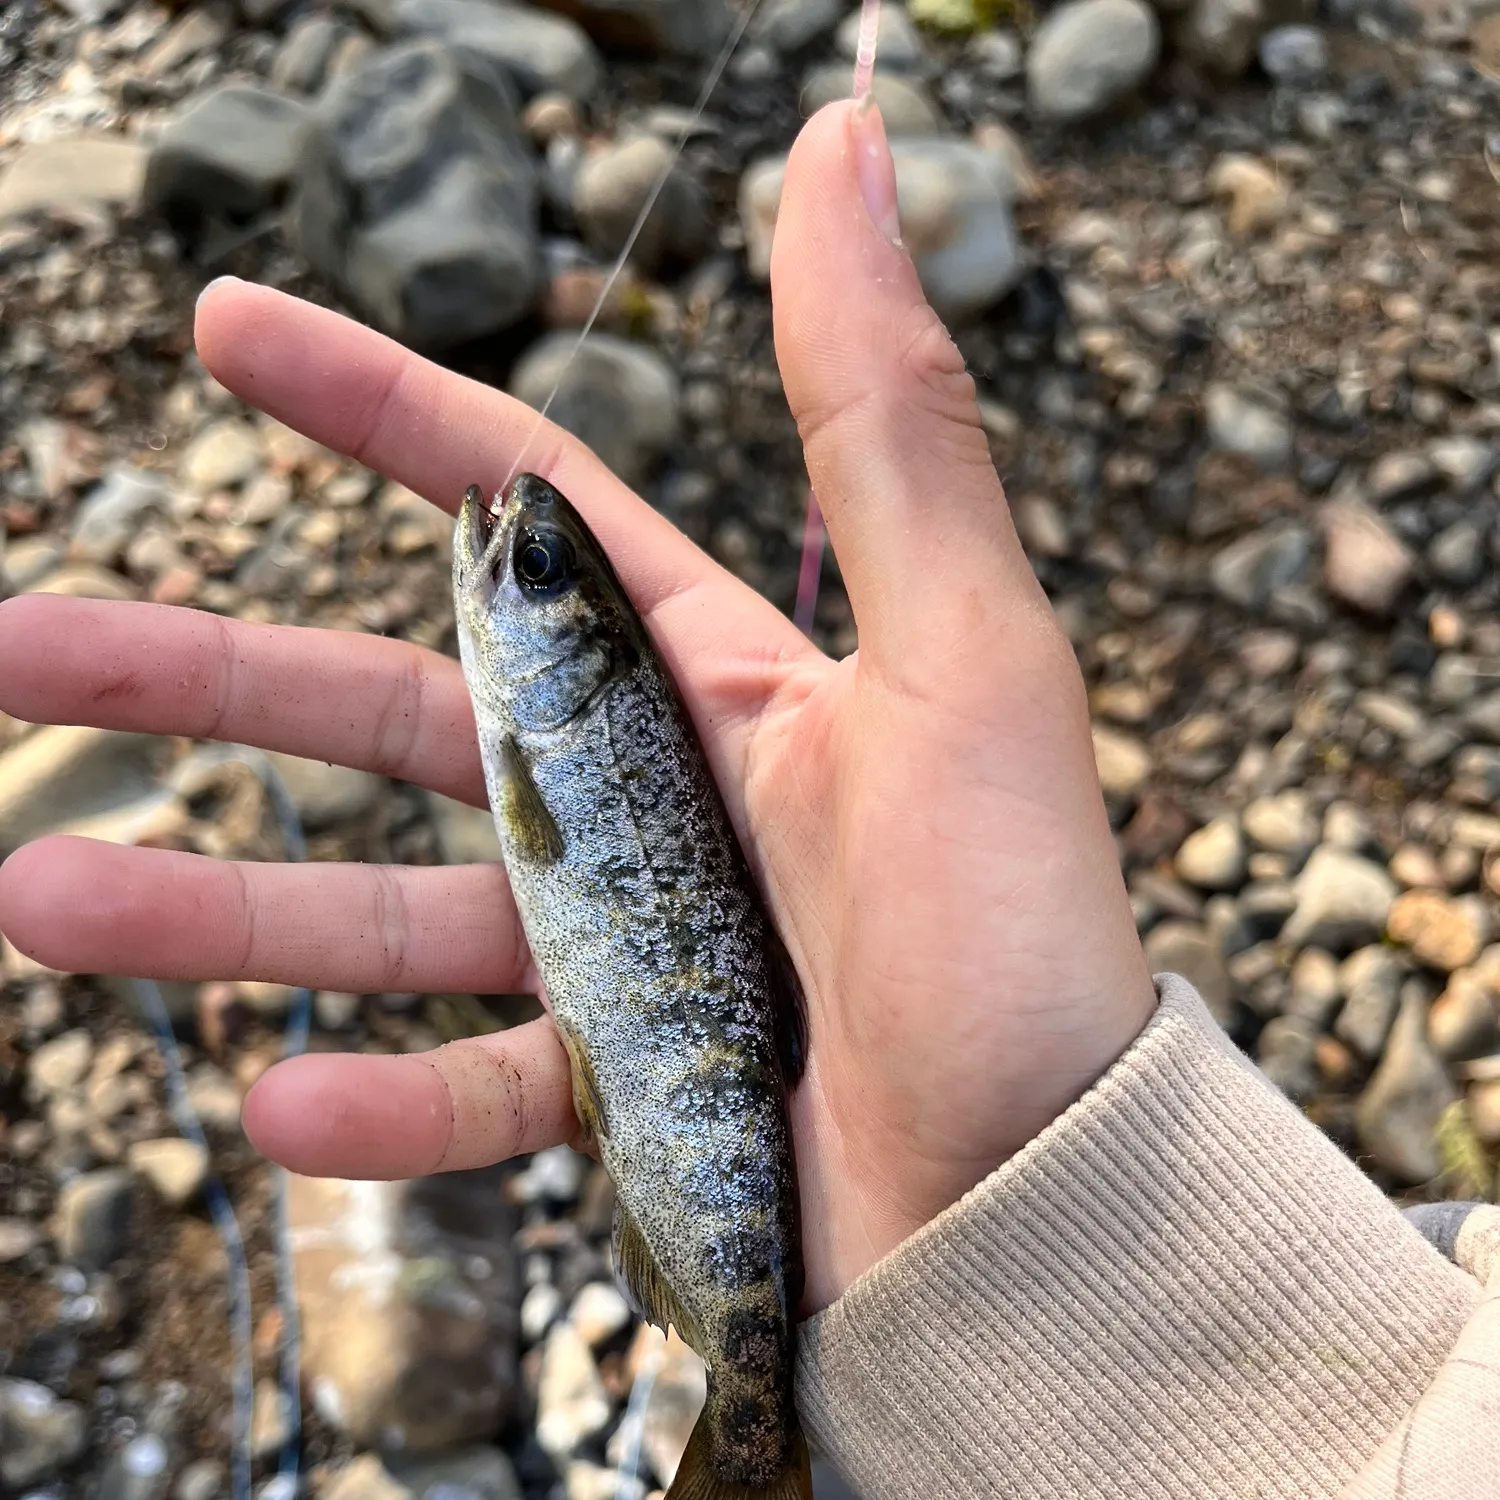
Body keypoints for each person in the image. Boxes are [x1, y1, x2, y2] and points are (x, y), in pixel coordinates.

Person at [0, 100, 1495, 1499]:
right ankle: (755, 1414)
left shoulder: (553, 728)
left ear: (569, 651)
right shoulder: (556, 713)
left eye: (534, 576)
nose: (502, 552)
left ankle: (751, 1425)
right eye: (539, 567)